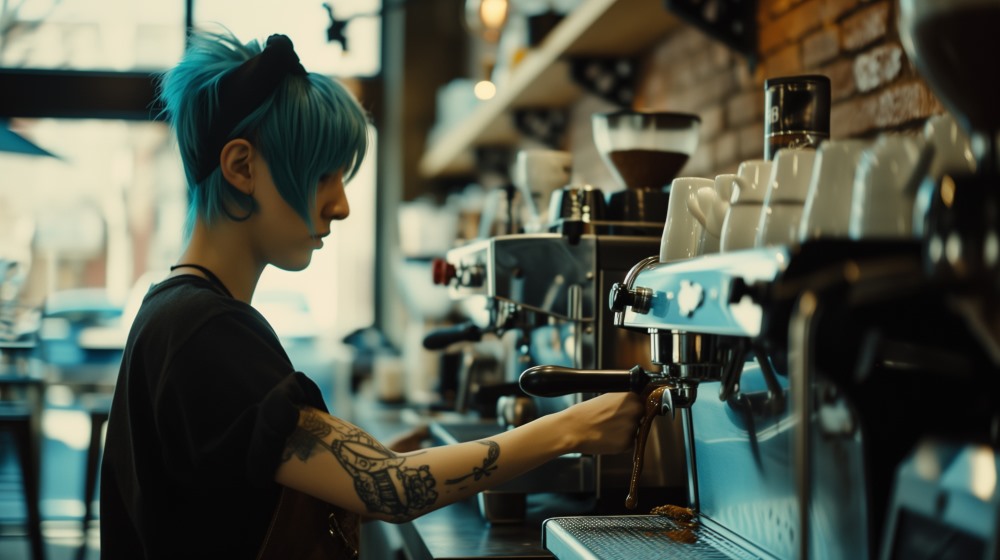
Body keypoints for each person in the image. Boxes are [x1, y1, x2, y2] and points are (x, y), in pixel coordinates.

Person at [100, 29, 644, 559]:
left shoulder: (175, 311)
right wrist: (574, 426)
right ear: (242, 167)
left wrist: (411, 449)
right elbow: (389, 488)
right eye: (323, 176)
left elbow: (253, 493)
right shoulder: (205, 331)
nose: (341, 205)